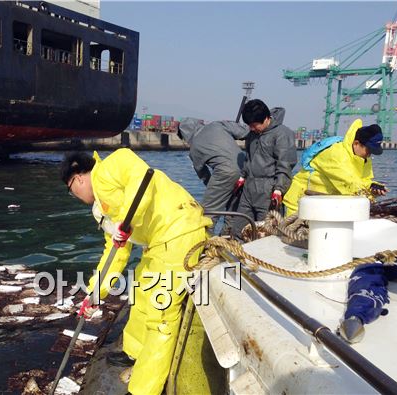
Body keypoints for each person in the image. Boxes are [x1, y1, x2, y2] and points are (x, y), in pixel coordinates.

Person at [60, 148, 212, 395]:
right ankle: (134, 351)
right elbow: (116, 251)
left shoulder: (115, 163)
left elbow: (143, 180)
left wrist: (127, 223)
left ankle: (143, 388)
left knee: (160, 313)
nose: (74, 196)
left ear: (77, 178)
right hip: (156, 243)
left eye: (71, 190)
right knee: (140, 292)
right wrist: (95, 293)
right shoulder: (100, 210)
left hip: (179, 232)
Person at [283, 120, 386, 216]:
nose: (369, 155)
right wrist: (370, 198)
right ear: (356, 144)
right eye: (368, 150)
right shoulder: (335, 154)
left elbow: (363, 180)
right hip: (300, 201)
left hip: (324, 203)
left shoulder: (362, 158)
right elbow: (348, 184)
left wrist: (373, 187)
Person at [232, 99, 297, 235]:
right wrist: (242, 177)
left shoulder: (283, 134)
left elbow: (285, 165)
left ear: (266, 118)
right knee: (239, 228)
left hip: (268, 191)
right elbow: (249, 157)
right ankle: (237, 252)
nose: (251, 128)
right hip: (249, 188)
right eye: (249, 125)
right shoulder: (253, 134)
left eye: (254, 125)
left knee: (266, 232)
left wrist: (278, 190)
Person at [177, 118, 248, 235]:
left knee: (208, 213)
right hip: (245, 168)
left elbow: (204, 175)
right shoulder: (216, 125)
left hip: (225, 173)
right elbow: (243, 132)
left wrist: (218, 189)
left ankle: (204, 241)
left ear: (185, 135)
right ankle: (228, 238)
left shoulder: (194, 148)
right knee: (233, 209)